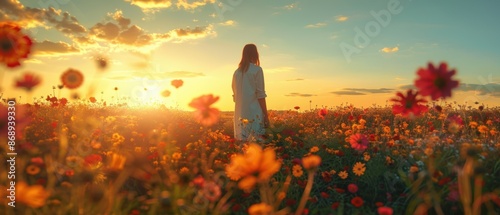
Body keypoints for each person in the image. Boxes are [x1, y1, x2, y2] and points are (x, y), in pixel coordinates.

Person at [232, 44, 269, 142]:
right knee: (256, 146)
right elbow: (260, 95)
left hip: (239, 114)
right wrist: (266, 115)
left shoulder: (236, 72)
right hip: (254, 113)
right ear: (255, 54)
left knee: (241, 146)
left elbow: (235, 96)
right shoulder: (257, 70)